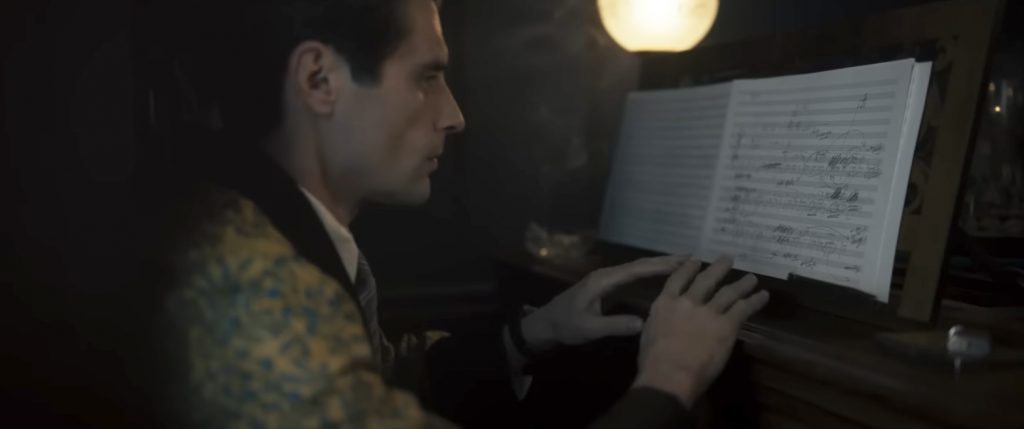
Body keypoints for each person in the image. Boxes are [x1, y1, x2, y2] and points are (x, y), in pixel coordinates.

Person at [155, 0, 770, 427]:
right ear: (320, 81)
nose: (453, 115)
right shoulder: (254, 290)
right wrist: (672, 375)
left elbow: (373, 382)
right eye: (426, 77)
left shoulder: (270, 227)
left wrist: (532, 333)